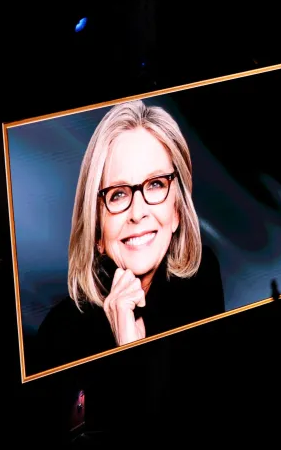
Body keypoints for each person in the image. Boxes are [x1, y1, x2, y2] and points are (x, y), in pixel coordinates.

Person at [34, 100, 224, 374]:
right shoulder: (59, 336)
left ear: (177, 211)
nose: (138, 213)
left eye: (156, 184)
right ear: (97, 230)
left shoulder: (202, 279)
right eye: (118, 194)